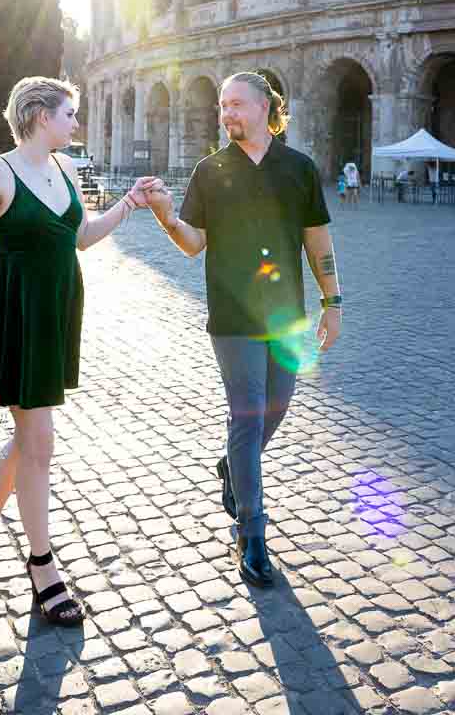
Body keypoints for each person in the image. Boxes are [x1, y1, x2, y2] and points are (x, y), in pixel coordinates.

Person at [0, 77, 156, 625]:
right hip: (16, 317)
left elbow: (81, 236)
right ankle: (42, 568)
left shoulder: (65, 171)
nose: (76, 124)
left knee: (30, 438)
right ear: (39, 115)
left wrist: (130, 203)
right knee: (40, 443)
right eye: (70, 114)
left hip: (57, 316)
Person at [143, 72, 342, 589]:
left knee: (278, 405)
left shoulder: (299, 168)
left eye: (235, 105)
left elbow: (317, 241)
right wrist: (166, 216)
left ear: (263, 108)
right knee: (249, 416)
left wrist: (333, 301)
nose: (225, 113)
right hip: (231, 318)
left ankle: (234, 466)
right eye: (221, 106)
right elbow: (192, 244)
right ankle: (252, 533)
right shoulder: (210, 171)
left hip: (286, 316)